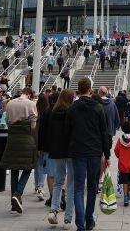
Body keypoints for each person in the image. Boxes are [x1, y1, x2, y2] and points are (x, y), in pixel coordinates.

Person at [66, 77, 110, 231]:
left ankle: (80, 224)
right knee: (92, 187)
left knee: (78, 187)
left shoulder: (72, 108)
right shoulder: (98, 108)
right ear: (90, 89)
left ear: (79, 90)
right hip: (94, 151)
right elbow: (104, 132)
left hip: (78, 151)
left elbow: (67, 131)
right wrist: (107, 154)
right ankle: (89, 218)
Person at [1, 87, 38, 214]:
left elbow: (6, 120)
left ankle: (13, 203)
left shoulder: (10, 103)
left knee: (14, 170)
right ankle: (18, 193)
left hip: (12, 139)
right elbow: (33, 124)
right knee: (28, 167)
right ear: (29, 94)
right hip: (26, 138)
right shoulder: (31, 104)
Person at [43, 89, 76, 226]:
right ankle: (68, 218)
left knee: (58, 181)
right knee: (71, 183)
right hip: (70, 150)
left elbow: (48, 132)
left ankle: (53, 210)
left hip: (57, 150)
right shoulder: (72, 112)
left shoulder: (52, 112)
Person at [114, 122, 130, 207]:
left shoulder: (120, 140)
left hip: (122, 164)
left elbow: (116, 150)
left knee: (124, 181)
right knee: (129, 181)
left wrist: (120, 157)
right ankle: (128, 193)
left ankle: (125, 197)